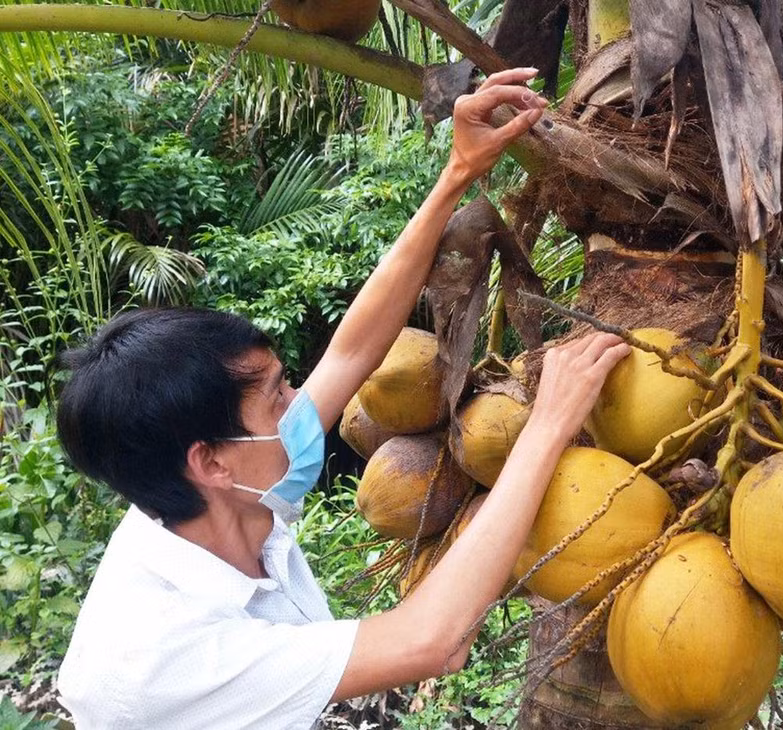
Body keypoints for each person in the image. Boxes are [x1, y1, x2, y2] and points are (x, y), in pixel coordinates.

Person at [54, 67, 632, 729]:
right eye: (277, 398)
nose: (302, 402)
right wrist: (549, 422)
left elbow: (354, 351)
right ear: (210, 462)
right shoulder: (164, 659)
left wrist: (458, 171)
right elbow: (431, 640)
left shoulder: (216, 491)